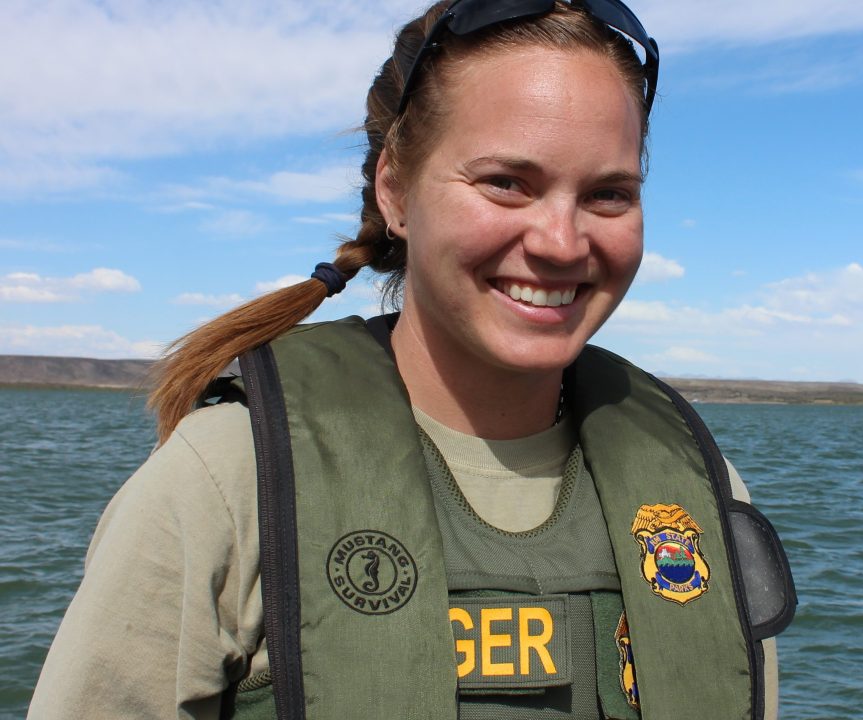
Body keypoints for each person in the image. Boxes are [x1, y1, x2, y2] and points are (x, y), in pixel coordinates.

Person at [30, 1, 795, 718]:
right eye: (506, 183)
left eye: (607, 195)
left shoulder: (695, 480)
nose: (562, 242)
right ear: (394, 189)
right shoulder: (230, 477)